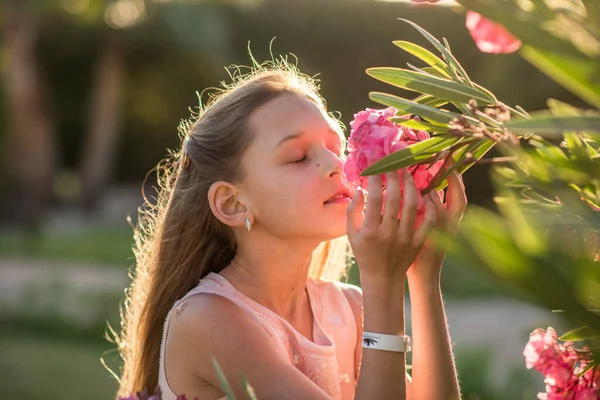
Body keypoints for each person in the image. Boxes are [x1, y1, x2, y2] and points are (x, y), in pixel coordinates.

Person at [115, 60, 466, 400]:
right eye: (298, 157)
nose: (334, 164)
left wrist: (422, 272)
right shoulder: (209, 319)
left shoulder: (348, 307)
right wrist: (383, 283)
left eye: (334, 146)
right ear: (233, 204)